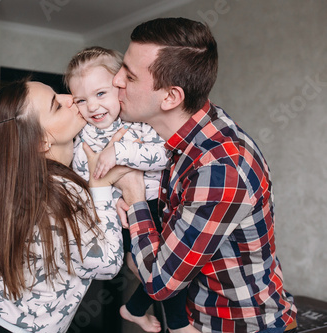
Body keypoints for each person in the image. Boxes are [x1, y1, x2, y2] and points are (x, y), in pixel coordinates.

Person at [106, 17, 298, 333]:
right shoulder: (185, 132)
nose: (115, 81)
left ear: (170, 97)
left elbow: (159, 283)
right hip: (196, 319)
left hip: (240, 327)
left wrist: (134, 194)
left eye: (128, 75)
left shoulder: (219, 169)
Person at [0, 79, 128, 333]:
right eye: (56, 105)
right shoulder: (57, 191)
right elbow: (107, 264)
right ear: (41, 142)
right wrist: (101, 187)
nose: (69, 98)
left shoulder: (23, 180)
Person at [65, 46, 191, 333]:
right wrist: (115, 196)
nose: (93, 107)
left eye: (100, 94)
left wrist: (118, 153)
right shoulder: (82, 137)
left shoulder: (137, 123)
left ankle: (134, 309)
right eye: (81, 100)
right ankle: (179, 325)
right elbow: (87, 182)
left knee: (164, 269)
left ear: (119, 88)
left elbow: (163, 156)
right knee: (159, 269)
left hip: (155, 207)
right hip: (120, 217)